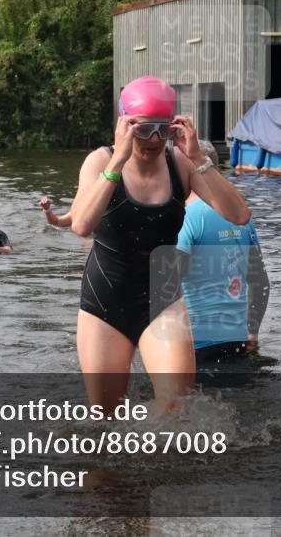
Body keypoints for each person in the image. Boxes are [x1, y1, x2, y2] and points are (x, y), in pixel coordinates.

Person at [69, 75, 251, 412]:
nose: (154, 139)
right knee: (104, 419)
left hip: (163, 299)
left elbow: (239, 215)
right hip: (105, 303)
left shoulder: (180, 164)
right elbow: (81, 225)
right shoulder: (100, 161)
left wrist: (197, 157)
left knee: (177, 410)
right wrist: (117, 162)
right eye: (143, 129)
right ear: (124, 125)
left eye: (163, 129)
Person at [176, 140, 270, 363]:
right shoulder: (242, 218)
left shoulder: (185, 218)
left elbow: (169, 285)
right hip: (236, 340)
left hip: (194, 344)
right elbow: (260, 283)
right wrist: (252, 332)